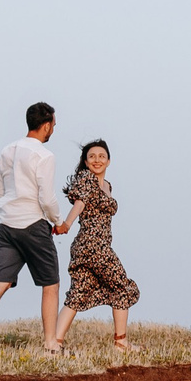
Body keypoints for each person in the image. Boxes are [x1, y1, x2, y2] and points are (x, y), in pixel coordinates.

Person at [0, 102, 75, 354]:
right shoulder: (45, 156)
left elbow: (1, 188)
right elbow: (47, 197)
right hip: (32, 223)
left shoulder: (8, 150)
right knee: (50, 283)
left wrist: (7, 211)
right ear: (46, 125)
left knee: (0, 281)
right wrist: (58, 222)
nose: (53, 131)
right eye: (54, 126)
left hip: (6, 224)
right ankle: (50, 344)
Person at [54, 139, 141, 353]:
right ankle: (121, 343)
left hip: (87, 247)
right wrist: (66, 224)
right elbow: (80, 203)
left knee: (78, 292)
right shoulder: (86, 178)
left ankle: (54, 345)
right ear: (85, 161)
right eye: (92, 156)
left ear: (109, 161)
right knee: (122, 287)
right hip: (95, 245)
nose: (97, 160)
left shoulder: (107, 185)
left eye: (102, 156)